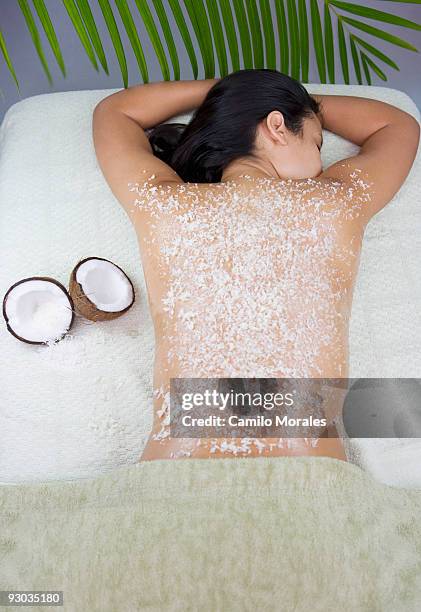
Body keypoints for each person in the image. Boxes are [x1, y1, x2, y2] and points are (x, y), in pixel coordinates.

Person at [92, 69, 420, 462]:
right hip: (308, 475)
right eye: (317, 143)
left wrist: (232, 95)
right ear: (277, 126)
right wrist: (264, 96)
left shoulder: (163, 205)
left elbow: (115, 114)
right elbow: (395, 125)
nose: (319, 162)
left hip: (176, 470)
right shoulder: (335, 203)